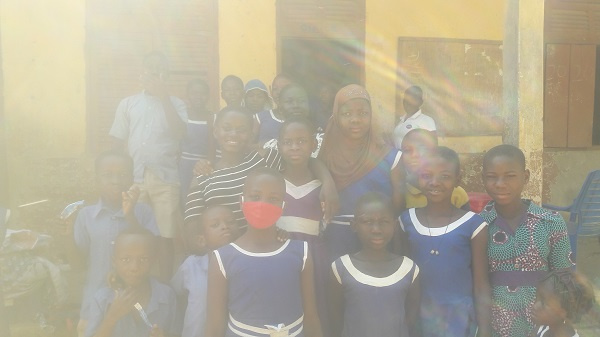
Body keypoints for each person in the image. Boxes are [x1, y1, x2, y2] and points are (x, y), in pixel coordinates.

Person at [204, 168, 323, 337]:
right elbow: (214, 326)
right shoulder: (222, 258)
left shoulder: (301, 252)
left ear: (283, 206)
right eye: (255, 197)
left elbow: (311, 317)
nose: (263, 204)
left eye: (273, 199)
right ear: (241, 201)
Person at [185, 107, 339, 230]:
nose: (234, 134)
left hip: (263, 248)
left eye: (241, 130)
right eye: (227, 128)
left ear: (251, 134)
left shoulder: (264, 159)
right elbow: (192, 226)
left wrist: (327, 181)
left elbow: (303, 161)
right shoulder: (203, 175)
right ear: (215, 131)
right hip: (222, 255)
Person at [480, 144, 574, 337]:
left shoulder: (551, 222)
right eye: (492, 176)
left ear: (526, 177)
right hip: (495, 324)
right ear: (483, 179)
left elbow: (564, 279)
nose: (500, 183)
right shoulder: (477, 226)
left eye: (510, 176)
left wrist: (560, 322)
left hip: (543, 324)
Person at [109, 51, 187, 281]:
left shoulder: (176, 104)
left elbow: (180, 133)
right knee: (135, 231)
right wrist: (117, 178)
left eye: (160, 70)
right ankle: (134, 283)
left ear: (167, 75)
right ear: (142, 74)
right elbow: (116, 141)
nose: (154, 74)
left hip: (165, 178)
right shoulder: (128, 104)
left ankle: (164, 286)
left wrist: (163, 97)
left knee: (165, 235)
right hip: (134, 178)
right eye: (150, 70)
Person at [399, 146, 491, 337]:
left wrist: (485, 329)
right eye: (427, 175)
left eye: (444, 176)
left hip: (459, 321)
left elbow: (481, 283)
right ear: (418, 177)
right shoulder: (406, 221)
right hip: (419, 319)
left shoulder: (474, 225)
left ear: (458, 179)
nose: (435, 182)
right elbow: (402, 277)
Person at [73, 151, 160, 337]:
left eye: (123, 175)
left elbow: (153, 250)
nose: (115, 180)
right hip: (94, 304)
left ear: (132, 178)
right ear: (96, 179)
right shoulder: (85, 216)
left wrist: (130, 215)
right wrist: (66, 235)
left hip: (138, 304)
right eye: (107, 175)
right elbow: (77, 262)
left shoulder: (143, 212)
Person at [318, 84, 405, 261]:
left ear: (371, 116)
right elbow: (313, 164)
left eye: (363, 113)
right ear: (336, 116)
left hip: (378, 239)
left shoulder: (391, 158)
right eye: (347, 114)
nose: (355, 119)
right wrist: (327, 181)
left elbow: (399, 207)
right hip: (336, 239)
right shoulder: (326, 156)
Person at [329, 192, 420, 337]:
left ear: (395, 225)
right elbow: (335, 316)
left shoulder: (409, 269)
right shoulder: (341, 268)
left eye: (384, 222)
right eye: (367, 222)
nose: (376, 229)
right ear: (354, 225)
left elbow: (411, 316)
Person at [276, 117, 329, 332]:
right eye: (288, 142)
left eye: (301, 141)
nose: (294, 147)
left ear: (313, 145)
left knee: (313, 308)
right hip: (280, 254)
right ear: (279, 146)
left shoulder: (323, 186)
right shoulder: (273, 182)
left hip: (314, 256)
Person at [85, 227, 178, 337]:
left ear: (153, 261)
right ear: (114, 262)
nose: (134, 267)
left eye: (143, 259)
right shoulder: (102, 300)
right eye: (126, 259)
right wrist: (112, 317)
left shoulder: (166, 296)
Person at [170, 205, 241, 337]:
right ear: (201, 240)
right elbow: (173, 293)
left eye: (230, 222)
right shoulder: (191, 266)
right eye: (215, 224)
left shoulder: (245, 266)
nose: (225, 226)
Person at [400, 129, 470, 210]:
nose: (414, 155)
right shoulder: (399, 193)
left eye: (422, 149)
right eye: (407, 150)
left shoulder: (456, 193)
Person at [261, 84, 324, 157]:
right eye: (289, 102)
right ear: (280, 108)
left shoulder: (323, 142)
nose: (296, 105)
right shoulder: (271, 147)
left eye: (301, 101)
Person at [533, 271, 595, 337]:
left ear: (563, 312)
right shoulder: (540, 332)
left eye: (545, 303)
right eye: (539, 298)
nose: (536, 306)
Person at [180, 79, 213, 201]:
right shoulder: (182, 117)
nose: (198, 97)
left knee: (200, 199)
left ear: (208, 96)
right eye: (194, 93)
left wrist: (209, 164)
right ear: (187, 95)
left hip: (203, 166)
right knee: (183, 199)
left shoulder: (211, 118)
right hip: (183, 167)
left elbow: (212, 146)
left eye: (202, 93)